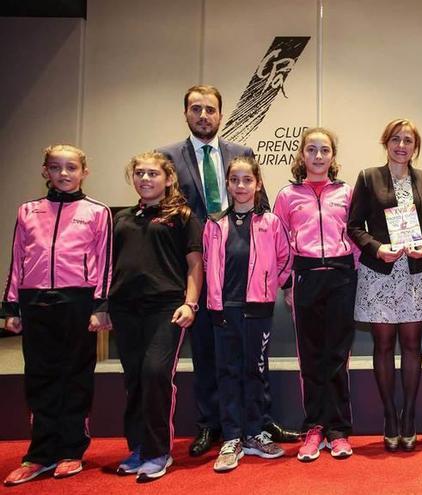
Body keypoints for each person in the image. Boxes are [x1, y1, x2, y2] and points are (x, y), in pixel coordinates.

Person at [157, 85, 295, 457]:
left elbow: (263, 216)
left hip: (244, 275)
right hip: (199, 271)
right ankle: (212, 425)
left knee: (253, 361)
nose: (204, 116)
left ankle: (259, 424)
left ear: (220, 113)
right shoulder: (167, 156)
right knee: (207, 355)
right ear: (186, 112)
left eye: (211, 110)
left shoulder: (240, 154)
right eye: (196, 109)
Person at [1, 145, 112, 485]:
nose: (64, 174)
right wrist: (11, 306)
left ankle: (71, 450)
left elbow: (106, 262)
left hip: (77, 301)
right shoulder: (27, 211)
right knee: (39, 376)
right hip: (35, 303)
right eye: (56, 167)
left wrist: (101, 305)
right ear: (45, 171)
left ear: (84, 172)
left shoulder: (97, 212)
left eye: (71, 167)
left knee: (75, 376)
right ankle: (40, 453)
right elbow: (17, 259)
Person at [110, 152, 204, 481]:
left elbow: (195, 264)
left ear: (167, 179)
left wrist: (190, 303)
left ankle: (158, 451)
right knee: (134, 379)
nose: (145, 179)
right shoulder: (121, 219)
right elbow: (112, 267)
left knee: (154, 374)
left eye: (153, 173)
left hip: (166, 308)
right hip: (124, 310)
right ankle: (138, 448)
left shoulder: (182, 216)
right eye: (139, 173)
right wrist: (104, 307)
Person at [347, 119, 422, 452]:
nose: (402, 145)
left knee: (412, 345)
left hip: (414, 272)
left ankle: (409, 416)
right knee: (383, 345)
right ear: (386, 143)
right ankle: (389, 416)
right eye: (396, 139)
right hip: (380, 273)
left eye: (408, 140)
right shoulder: (369, 177)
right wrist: (376, 248)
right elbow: (354, 226)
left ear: (415, 146)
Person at [273, 127, 357, 462]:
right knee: (310, 357)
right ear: (301, 155)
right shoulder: (287, 195)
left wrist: (357, 277)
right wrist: (287, 284)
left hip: (341, 277)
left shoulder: (347, 192)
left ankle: (337, 431)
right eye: (311, 149)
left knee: (337, 357)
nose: (318, 156)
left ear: (333, 156)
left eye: (324, 150)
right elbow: (279, 244)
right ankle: (314, 428)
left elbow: (355, 237)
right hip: (305, 277)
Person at [204, 156, 291, 472]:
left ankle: (255, 433)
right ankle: (231, 438)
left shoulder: (270, 223)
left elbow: (285, 259)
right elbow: (206, 265)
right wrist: (216, 299)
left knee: (256, 372)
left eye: (247, 180)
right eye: (235, 180)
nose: (241, 186)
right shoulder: (214, 224)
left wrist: (273, 286)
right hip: (224, 310)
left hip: (259, 310)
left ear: (257, 184)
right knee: (228, 372)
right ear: (227, 184)